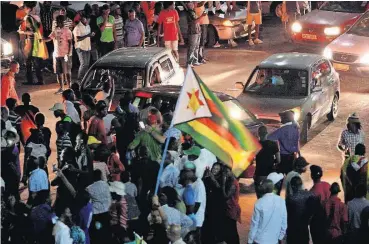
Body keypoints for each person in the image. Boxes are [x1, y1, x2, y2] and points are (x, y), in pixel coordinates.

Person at [248, 179, 287, 244]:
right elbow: (284, 221)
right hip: (274, 239)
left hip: (260, 240)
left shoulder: (259, 203)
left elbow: (254, 224)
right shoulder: (281, 201)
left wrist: (250, 240)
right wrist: (280, 236)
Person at [18, 1, 47, 85]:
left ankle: (31, 80)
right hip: (37, 42)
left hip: (32, 41)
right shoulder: (36, 17)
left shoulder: (28, 18)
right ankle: (39, 80)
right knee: (36, 61)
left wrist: (22, 32)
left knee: (29, 62)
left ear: (27, 8)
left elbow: (32, 32)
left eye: (24, 8)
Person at [44, 15, 72, 94]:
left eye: (60, 21)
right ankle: (61, 88)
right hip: (57, 54)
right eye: (58, 21)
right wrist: (41, 39)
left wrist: (68, 53)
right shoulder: (55, 30)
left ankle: (70, 87)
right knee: (59, 72)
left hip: (65, 54)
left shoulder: (67, 31)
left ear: (63, 22)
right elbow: (49, 38)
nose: (59, 23)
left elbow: (70, 43)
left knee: (67, 71)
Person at [286, 176, 318, 244]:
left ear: (293, 186)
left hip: (293, 230)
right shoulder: (310, 195)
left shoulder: (290, 198)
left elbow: (288, 214)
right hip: (304, 227)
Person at [268, 110, 300, 174]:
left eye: (282, 117)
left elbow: (269, 138)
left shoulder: (282, 130)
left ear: (285, 119)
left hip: (284, 157)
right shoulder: (296, 128)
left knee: (281, 174)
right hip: (293, 156)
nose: (280, 118)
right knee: (290, 174)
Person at [86, 169, 112, 244]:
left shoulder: (89, 188)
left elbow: (89, 201)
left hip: (96, 214)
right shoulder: (106, 184)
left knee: (98, 233)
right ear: (100, 176)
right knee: (106, 231)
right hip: (107, 211)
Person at [182, 162, 206, 239]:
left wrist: (190, 217)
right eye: (185, 171)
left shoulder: (198, 184)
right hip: (190, 217)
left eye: (188, 171)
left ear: (193, 172)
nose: (186, 173)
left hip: (196, 217)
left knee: (194, 239)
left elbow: (197, 203)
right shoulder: (190, 182)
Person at [310, 165, 331, 244]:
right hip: (328, 222)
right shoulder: (327, 185)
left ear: (312, 176)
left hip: (317, 224)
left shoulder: (311, 192)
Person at [222, 166, 241, 244]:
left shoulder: (233, 183)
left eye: (227, 171)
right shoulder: (231, 181)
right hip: (230, 207)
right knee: (229, 227)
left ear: (232, 172)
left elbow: (226, 196)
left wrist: (223, 184)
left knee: (232, 228)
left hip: (232, 208)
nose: (225, 173)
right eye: (225, 172)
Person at [73, 14, 94, 81]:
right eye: (86, 19)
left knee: (87, 64)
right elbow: (77, 39)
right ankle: (79, 79)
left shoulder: (88, 26)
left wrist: (91, 35)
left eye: (89, 19)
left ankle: (84, 79)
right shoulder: (77, 27)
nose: (88, 21)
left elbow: (88, 36)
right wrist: (88, 35)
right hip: (80, 47)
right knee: (83, 64)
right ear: (82, 19)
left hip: (87, 47)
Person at [186, 2, 205, 67]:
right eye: (191, 4)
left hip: (196, 31)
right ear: (189, 5)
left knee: (196, 47)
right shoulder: (190, 12)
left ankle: (194, 61)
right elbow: (195, 21)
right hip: (193, 32)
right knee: (192, 47)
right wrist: (202, 16)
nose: (193, 5)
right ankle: (189, 62)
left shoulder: (193, 11)